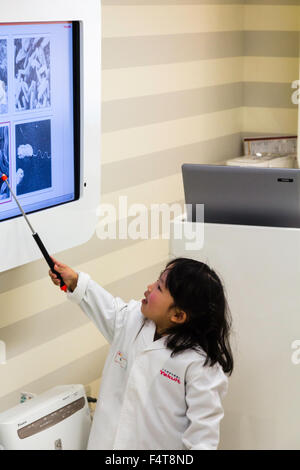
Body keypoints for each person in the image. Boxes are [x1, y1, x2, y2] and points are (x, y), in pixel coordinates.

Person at [49, 256, 234, 450]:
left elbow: (202, 438)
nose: (150, 286)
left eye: (160, 287)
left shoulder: (199, 365)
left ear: (178, 315)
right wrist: (75, 281)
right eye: (157, 280)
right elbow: (106, 307)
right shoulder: (132, 320)